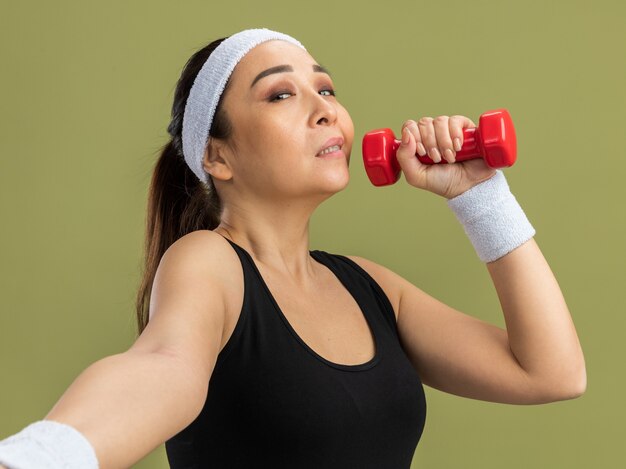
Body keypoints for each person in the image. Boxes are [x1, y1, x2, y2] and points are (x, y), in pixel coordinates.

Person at [0, 28, 586, 469]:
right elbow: (163, 367)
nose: (325, 108)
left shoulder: (368, 286)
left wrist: (480, 197)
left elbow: (549, 373)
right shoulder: (209, 262)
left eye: (325, 88)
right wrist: (42, 455)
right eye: (281, 94)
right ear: (216, 156)